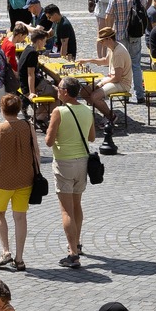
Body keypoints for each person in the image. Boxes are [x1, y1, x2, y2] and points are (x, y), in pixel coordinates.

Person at [45, 77, 96, 269]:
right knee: (77, 205)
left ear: (66, 92)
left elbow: (49, 141)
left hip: (64, 162)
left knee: (66, 210)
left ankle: (73, 253)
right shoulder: (87, 110)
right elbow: (91, 137)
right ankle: (77, 243)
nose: (56, 90)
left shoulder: (59, 112)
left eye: (59, 88)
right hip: (82, 162)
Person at [0, 93, 38, 271]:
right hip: (25, 178)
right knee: (20, 217)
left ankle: (6, 251)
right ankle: (20, 258)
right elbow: (36, 152)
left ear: (2, 109)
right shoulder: (28, 126)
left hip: (2, 179)